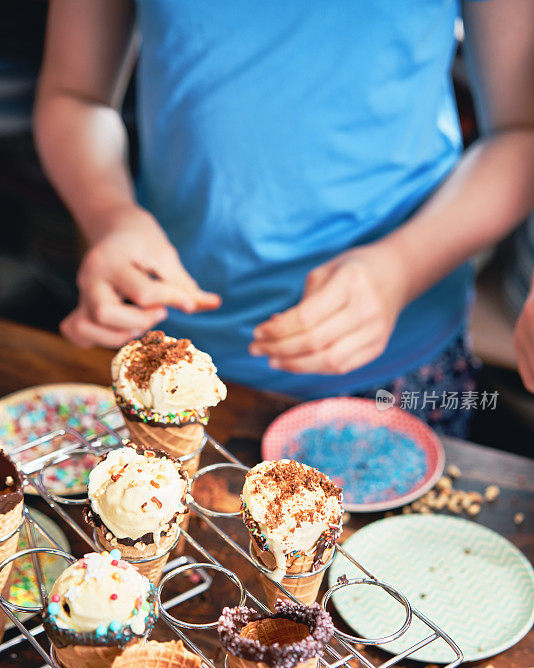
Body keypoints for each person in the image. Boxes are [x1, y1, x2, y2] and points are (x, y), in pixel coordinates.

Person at [34, 1, 534, 436]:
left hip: (398, 357)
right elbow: (74, 96)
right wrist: (110, 214)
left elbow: (520, 130)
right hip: (167, 341)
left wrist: (402, 267)